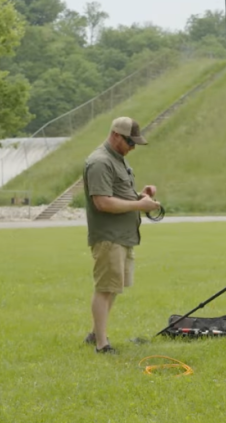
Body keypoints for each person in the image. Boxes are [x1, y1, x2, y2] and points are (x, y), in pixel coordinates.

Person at [82, 116, 160, 354]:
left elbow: (118, 195)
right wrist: (140, 207)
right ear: (115, 135)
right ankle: (101, 344)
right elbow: (103, 202)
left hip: (123, 236)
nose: (132, 147)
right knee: (105, 288)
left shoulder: (118, 160)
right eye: (129, 142)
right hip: (109, 236)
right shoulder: (99, 162)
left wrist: (140, 196)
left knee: (113, 287)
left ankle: (96, 332)